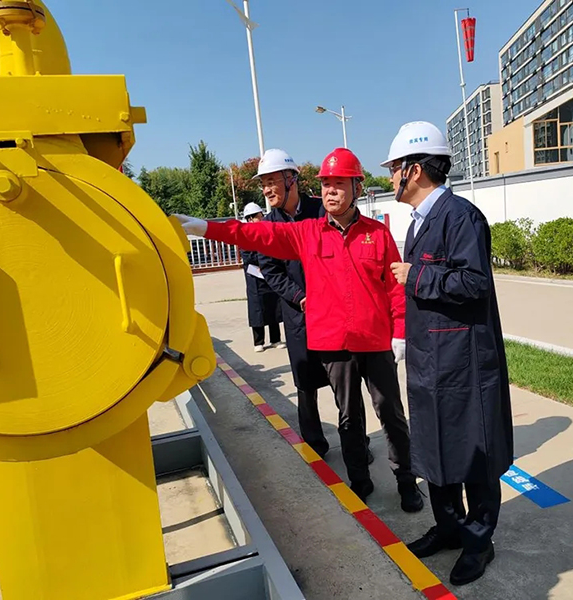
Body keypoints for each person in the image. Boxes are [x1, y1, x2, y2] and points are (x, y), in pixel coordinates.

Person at [175, 148, 423, 512]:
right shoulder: (307, 233)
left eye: (339, 184)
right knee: (348, 417)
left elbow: (393, 288)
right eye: (326, 185)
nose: (330, 191)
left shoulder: (377, 234)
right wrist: (205, 227)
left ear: (357, 188)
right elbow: (255, 235)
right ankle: (360, 480)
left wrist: (399, 331)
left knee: (391, 414)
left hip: (374, 341)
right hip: (335, 344)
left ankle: (406, 481)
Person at [384, 122, 514, 586]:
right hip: (429, 359)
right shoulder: (420, 220)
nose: (390, 177)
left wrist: (416, 276)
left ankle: (479, 542)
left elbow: (475, 283)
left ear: (415, 170)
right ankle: (449, 527)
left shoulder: (461, 217)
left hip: (462, 361)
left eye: (394, 168)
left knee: (472, 453)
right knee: (435, 448)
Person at [252, 149, 331, 458]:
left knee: (345, 384)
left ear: (291, 179)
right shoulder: (268, 228)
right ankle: (315, 447)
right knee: (306, 385)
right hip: (299, 314)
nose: (267, 190)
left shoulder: (321, 211)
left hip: (333, 313)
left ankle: (357, 446)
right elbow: (271, 272)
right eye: (263, 184)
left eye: (272, 181)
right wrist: (300, 297)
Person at [239, 202, 284, 353]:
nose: (262, 218)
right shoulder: (245, 235)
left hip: (269, 274)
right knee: (257, 308)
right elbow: (248, 257)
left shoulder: (266, 231)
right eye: (259, 216)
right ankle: (258, 341)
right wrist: (263, 261)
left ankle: (275, 339)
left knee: (273, 305)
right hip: (254, 276)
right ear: (250, 219)